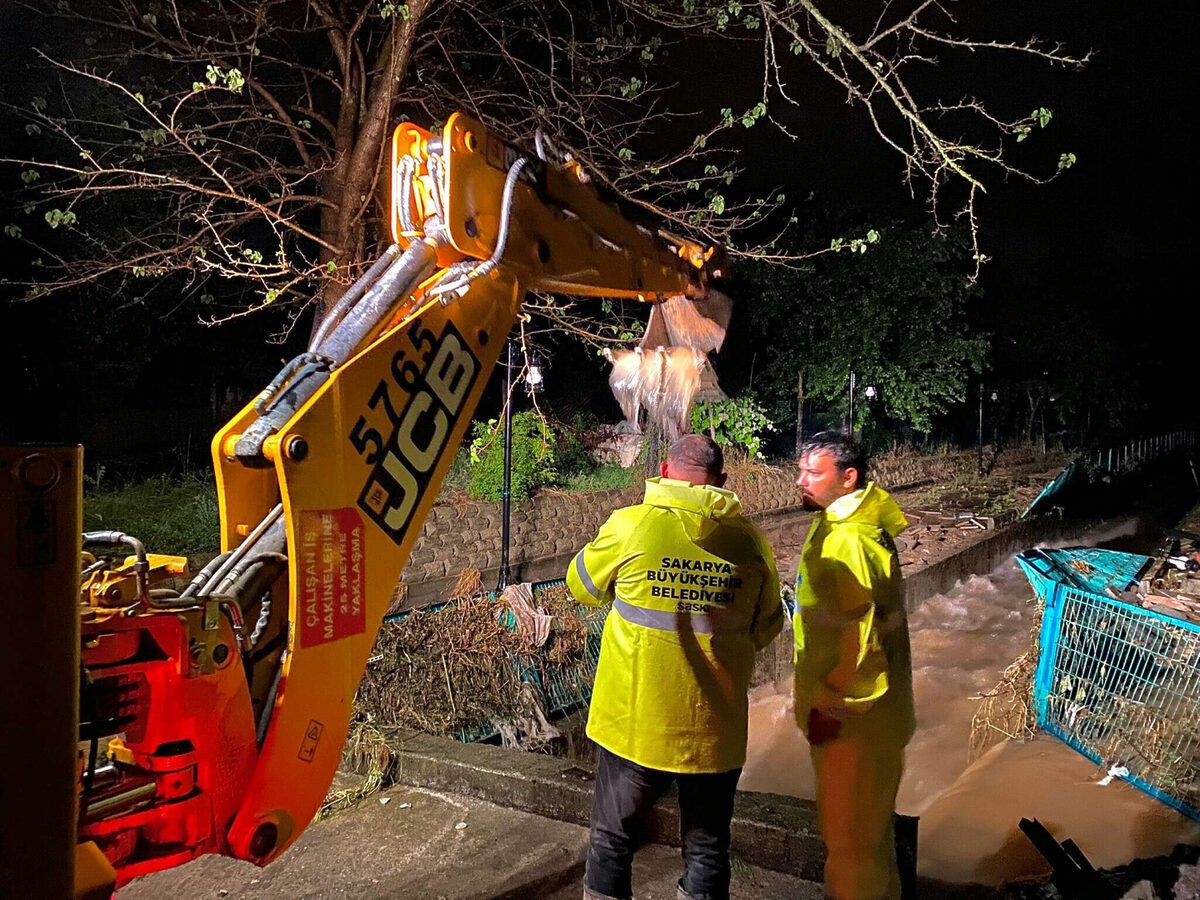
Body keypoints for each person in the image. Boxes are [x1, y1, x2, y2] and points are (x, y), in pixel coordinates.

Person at [566, 434, 784, 900]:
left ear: (664, 472)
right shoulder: (749, 542)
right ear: (722, 481)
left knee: (611, 842)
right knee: (707, 851)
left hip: (634, 725)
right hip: (713, 733)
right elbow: (767, 629)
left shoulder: (631, 527)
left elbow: (581, 584)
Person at [792, 431, 914, 900]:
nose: (802, 481)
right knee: (871, 840)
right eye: (800, 471)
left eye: (814, 472)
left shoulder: (849, 542)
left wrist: (830, 706)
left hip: (852, 725)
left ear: (848, 478)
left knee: (849, 849)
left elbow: (860, 648)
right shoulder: (849, 523)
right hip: (875, 720)